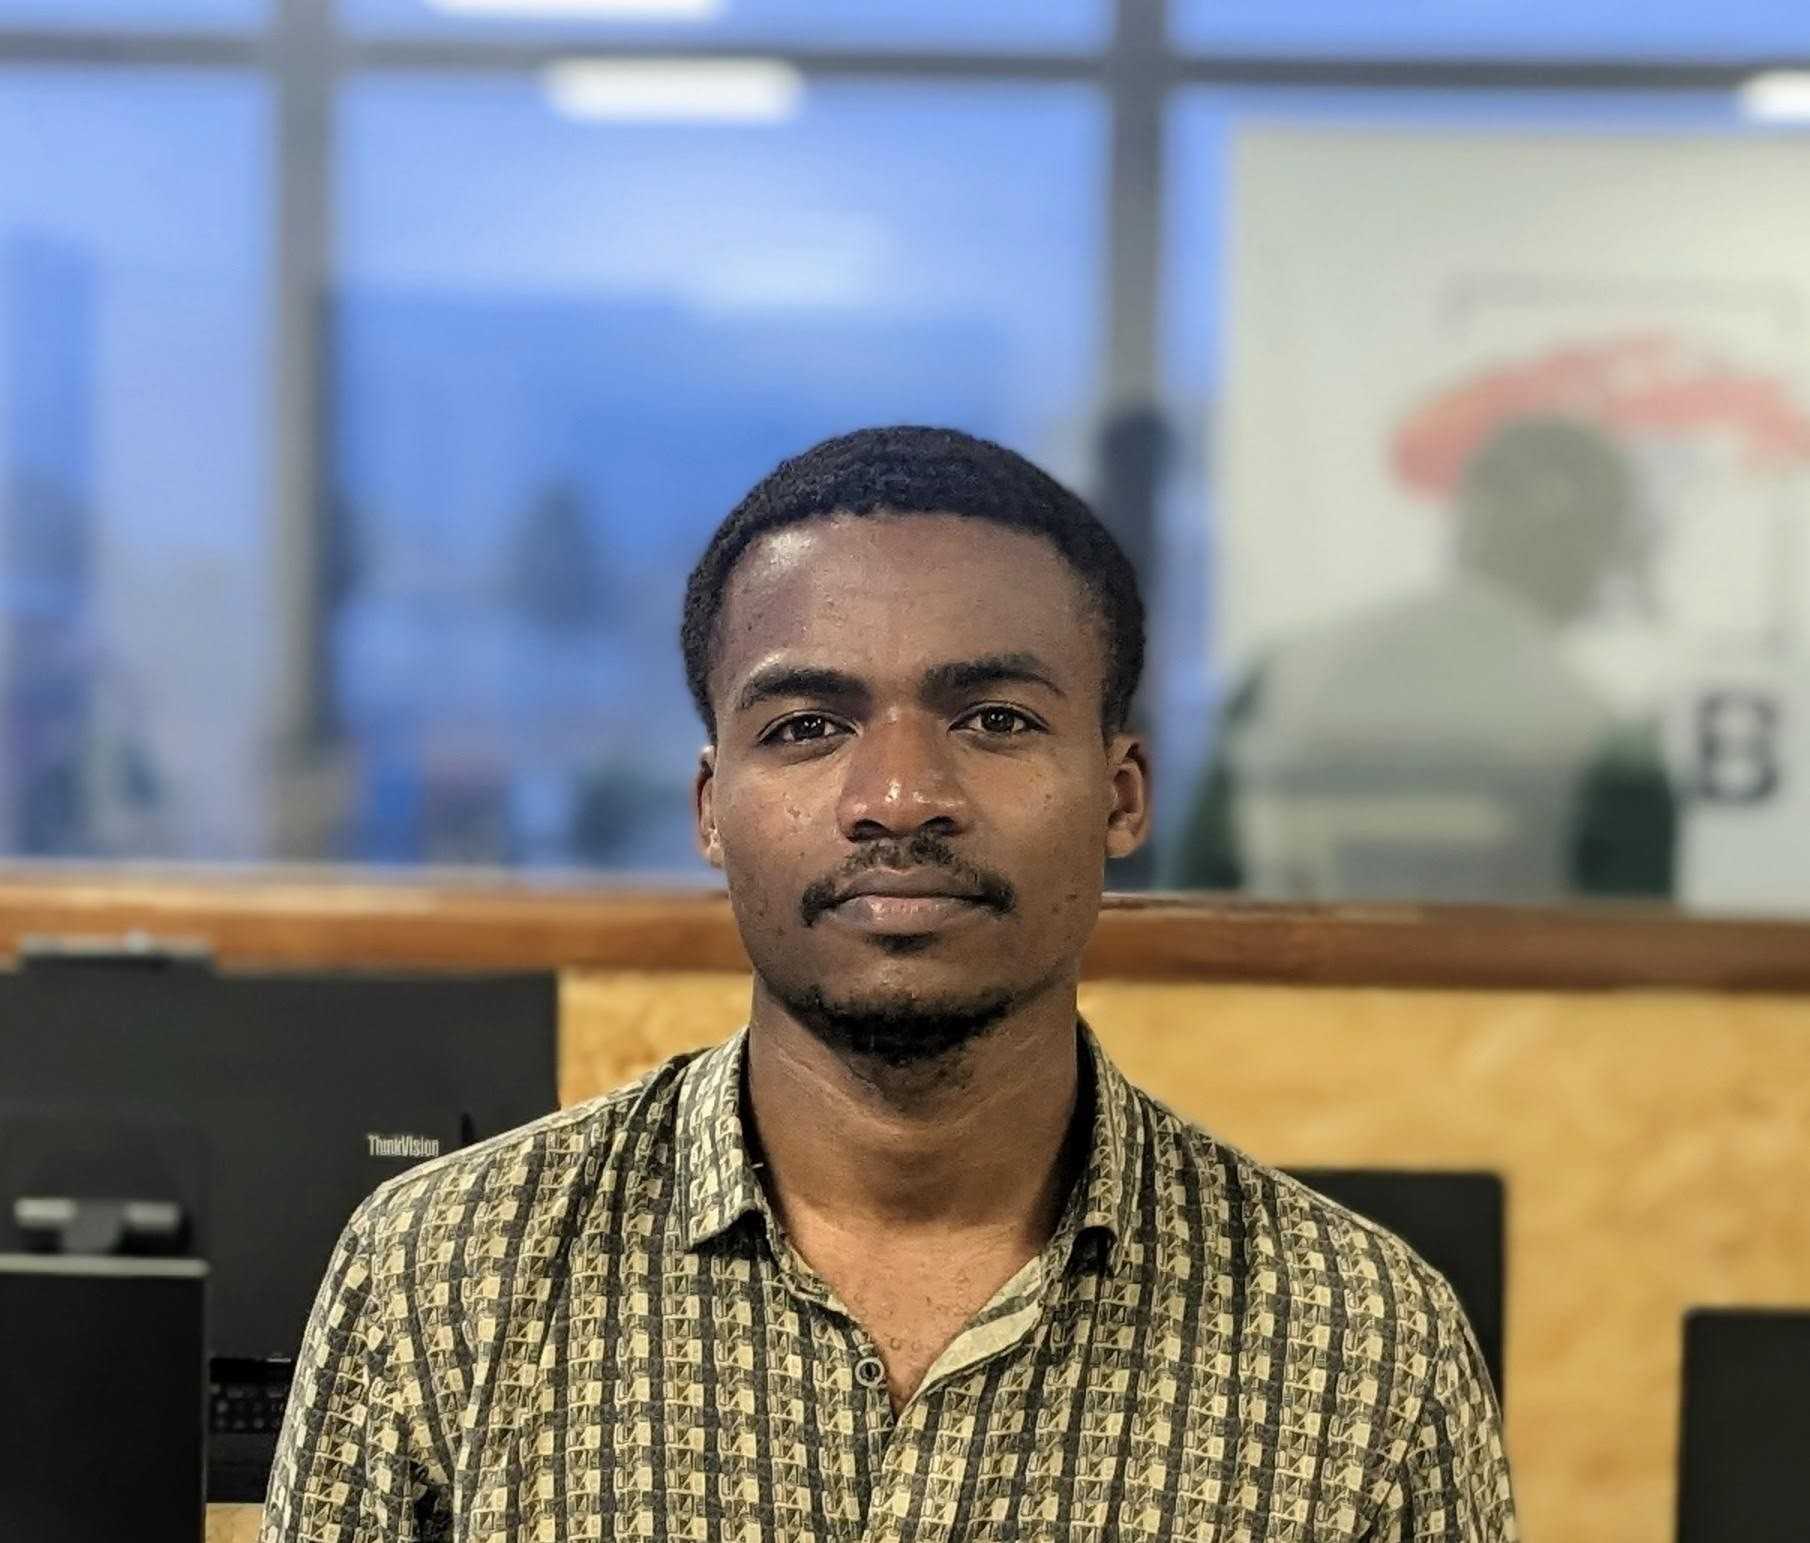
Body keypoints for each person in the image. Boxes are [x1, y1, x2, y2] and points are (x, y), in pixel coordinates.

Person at [262, 426, 1516, 1540]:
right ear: (710, 808)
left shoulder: (1363, 1346)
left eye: (995, 719)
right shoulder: (445, 1278)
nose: (900, 798)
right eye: (806, 726)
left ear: (1122, 794)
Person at [1175, 415, 1675, 902]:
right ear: (1595, 547)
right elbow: (1634, 939)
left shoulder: (1280, 677)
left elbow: (1193, 898)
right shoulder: (1598, 732)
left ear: (1466, 521)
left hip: (1286, 960)